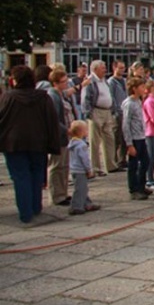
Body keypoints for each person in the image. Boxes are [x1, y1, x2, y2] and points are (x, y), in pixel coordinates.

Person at [0, 65, 60, 223]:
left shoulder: (8, 97)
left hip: (14, 143)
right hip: (38, 142)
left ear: (15, 80)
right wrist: (53, 141)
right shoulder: (43, 97)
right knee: (36, 175)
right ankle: (35, 207)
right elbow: (52, 121)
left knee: (21, 177)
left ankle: (26, 213)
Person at [82, 60, 118, 177]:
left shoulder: (104, 81)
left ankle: (111, 165)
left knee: (109, 138)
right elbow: (85, 98)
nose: (105, 70)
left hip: (107, 111)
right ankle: (96, 167)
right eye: (103, 68)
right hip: (96, 111)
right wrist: (89, 113)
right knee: (95, 141)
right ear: (95, 69)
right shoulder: (90, 81)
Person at [47, 69, 76, 206]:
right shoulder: (52, 96)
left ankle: (63, 192)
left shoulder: (60, 94)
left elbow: (69, 92)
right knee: (57, 166)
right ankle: (57, 195)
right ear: (55, 83)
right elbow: (53, 119)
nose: (66, 84)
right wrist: (67, 130)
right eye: (63, 82)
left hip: (65, 136)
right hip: (58, 136)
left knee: (64, 165)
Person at [122, 78, 151, 200]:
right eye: (141, 86)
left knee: (146, 161)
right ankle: (133, 189)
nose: (143, 89)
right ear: (134, 89)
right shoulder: (129, 104)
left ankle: (141, 185)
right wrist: (129, 144)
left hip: (141, 136)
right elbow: (125, 124)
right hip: (133, 138)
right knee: (133, 164)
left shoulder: (139, 101)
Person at [67, 120, 100, 215]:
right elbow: (84, 159)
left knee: (83, 188)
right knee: (80, 188)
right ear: (81, 132)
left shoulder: (72, 143)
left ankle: (87, 203)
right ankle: (76, 206)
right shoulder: (81, 145)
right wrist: (89, 169)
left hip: (74, 169)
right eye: (86, 130)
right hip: (81, 170)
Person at [108, 60, 128, 171]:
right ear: (114, 68)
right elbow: (111, 97)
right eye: (120, 68)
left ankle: (122, 160)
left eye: (123, 68)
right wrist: (115, 111)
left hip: (125, 112)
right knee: (117, 138)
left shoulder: (124, 81)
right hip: (117, 113)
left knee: (125, 138)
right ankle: (114, 160)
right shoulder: (111, 82)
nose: (122, 70)